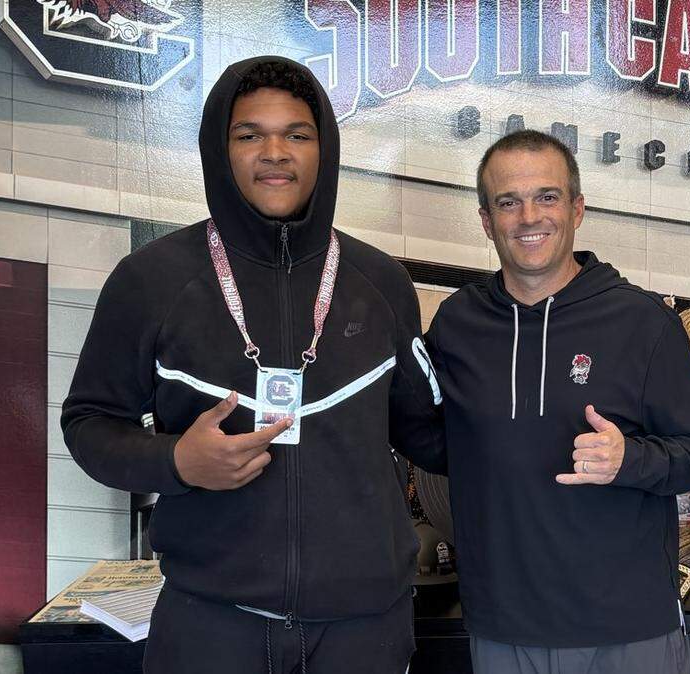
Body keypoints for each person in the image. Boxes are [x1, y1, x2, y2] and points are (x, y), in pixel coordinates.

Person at [61, 56, 444, 674]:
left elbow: (429, 434)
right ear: (221, 150)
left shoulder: (382, 283)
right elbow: (88, 423)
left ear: (324, 150)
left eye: (297, 134)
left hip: (362, 629)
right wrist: (177, 461)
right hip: (211, 624)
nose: (275, 153)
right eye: (249, 135)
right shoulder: (151, 280)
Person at [423, 129, 690, 674]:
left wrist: (629, 459)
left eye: (547, 196)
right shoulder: (457, 323)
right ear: (486, 221)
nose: (529, 217)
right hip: (503, 627)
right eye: (508, 202)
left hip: (627, 630)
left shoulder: (641, 322)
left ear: (577, 209)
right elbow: (432, 438)